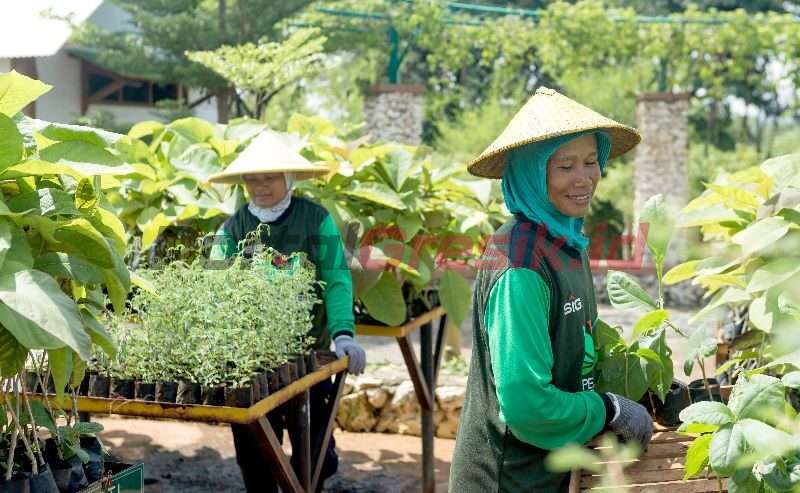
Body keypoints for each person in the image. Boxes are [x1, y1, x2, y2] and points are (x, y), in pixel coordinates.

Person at [449, 87, 653, 492]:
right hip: (507, 479)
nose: (584, 179)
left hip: (549, 473)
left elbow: (577, 345)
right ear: (530, 172)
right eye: (565, 166)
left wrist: (640, 383)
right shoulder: (519, 261)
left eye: (592, 161)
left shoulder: (565, 241)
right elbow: (527, 405)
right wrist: (608, 409)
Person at [206, 130, 367, 492]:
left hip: (309, 356)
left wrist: (343, 334)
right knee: (256, 454)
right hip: (253, 361)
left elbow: (337, 277)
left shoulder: (316, 219)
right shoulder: (232, 229)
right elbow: (214, 289)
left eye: (269, 177)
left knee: (316, 456)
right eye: (252, 178)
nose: (260, 186)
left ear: (288, 178)